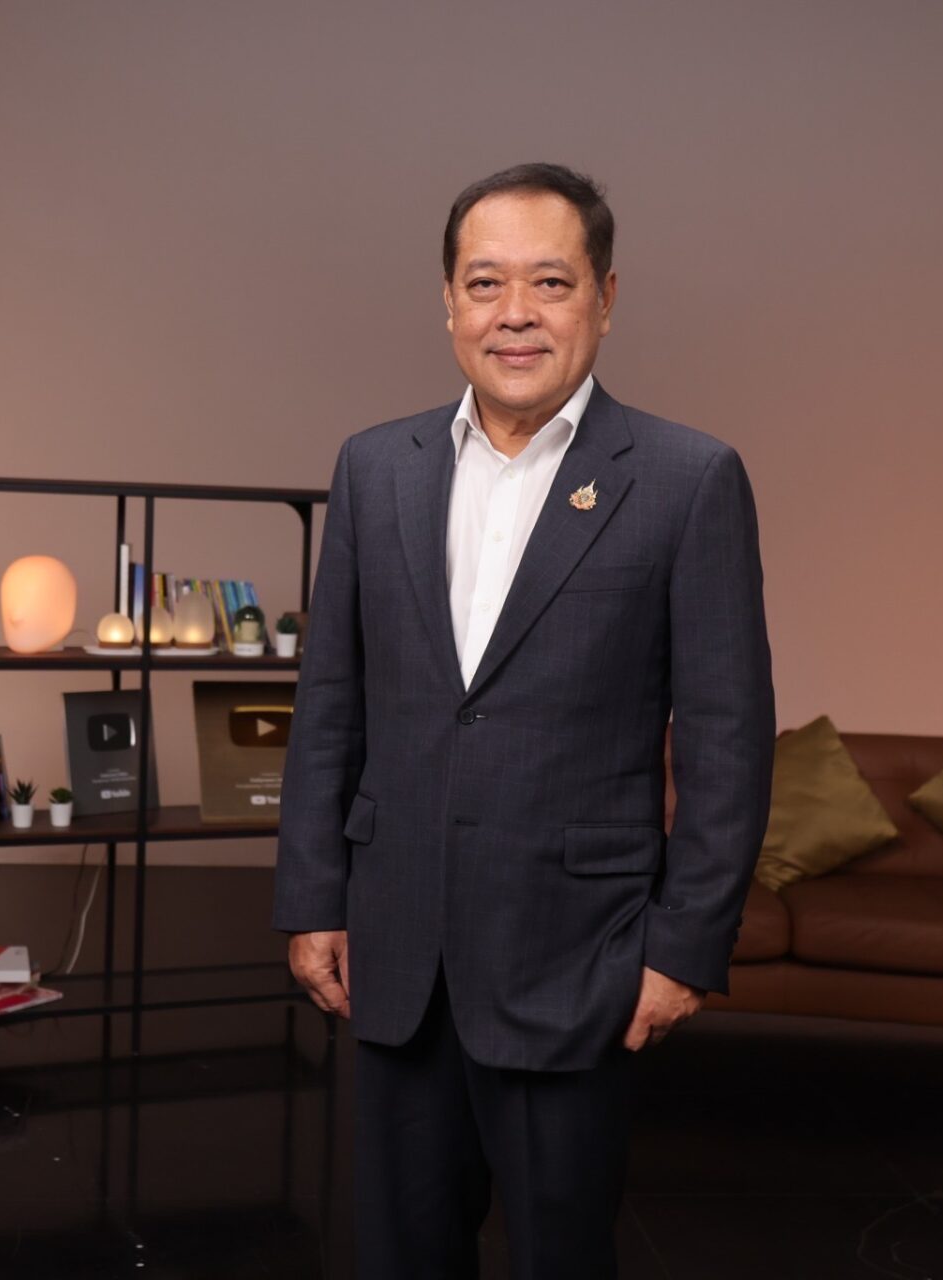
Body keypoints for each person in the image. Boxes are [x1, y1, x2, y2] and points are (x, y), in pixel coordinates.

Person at [272, 161, 775, 1279]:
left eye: (550, 282)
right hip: (396, 947)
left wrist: (684, 949)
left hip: (578, 957)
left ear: (605, 296)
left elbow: (729, 740)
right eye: (484, 282)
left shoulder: (687, 480)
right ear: (447, 302)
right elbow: (331, 701)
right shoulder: (375, 468)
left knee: (560, 1255)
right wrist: (312, 897)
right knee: (402, 1253)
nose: (515, 313)